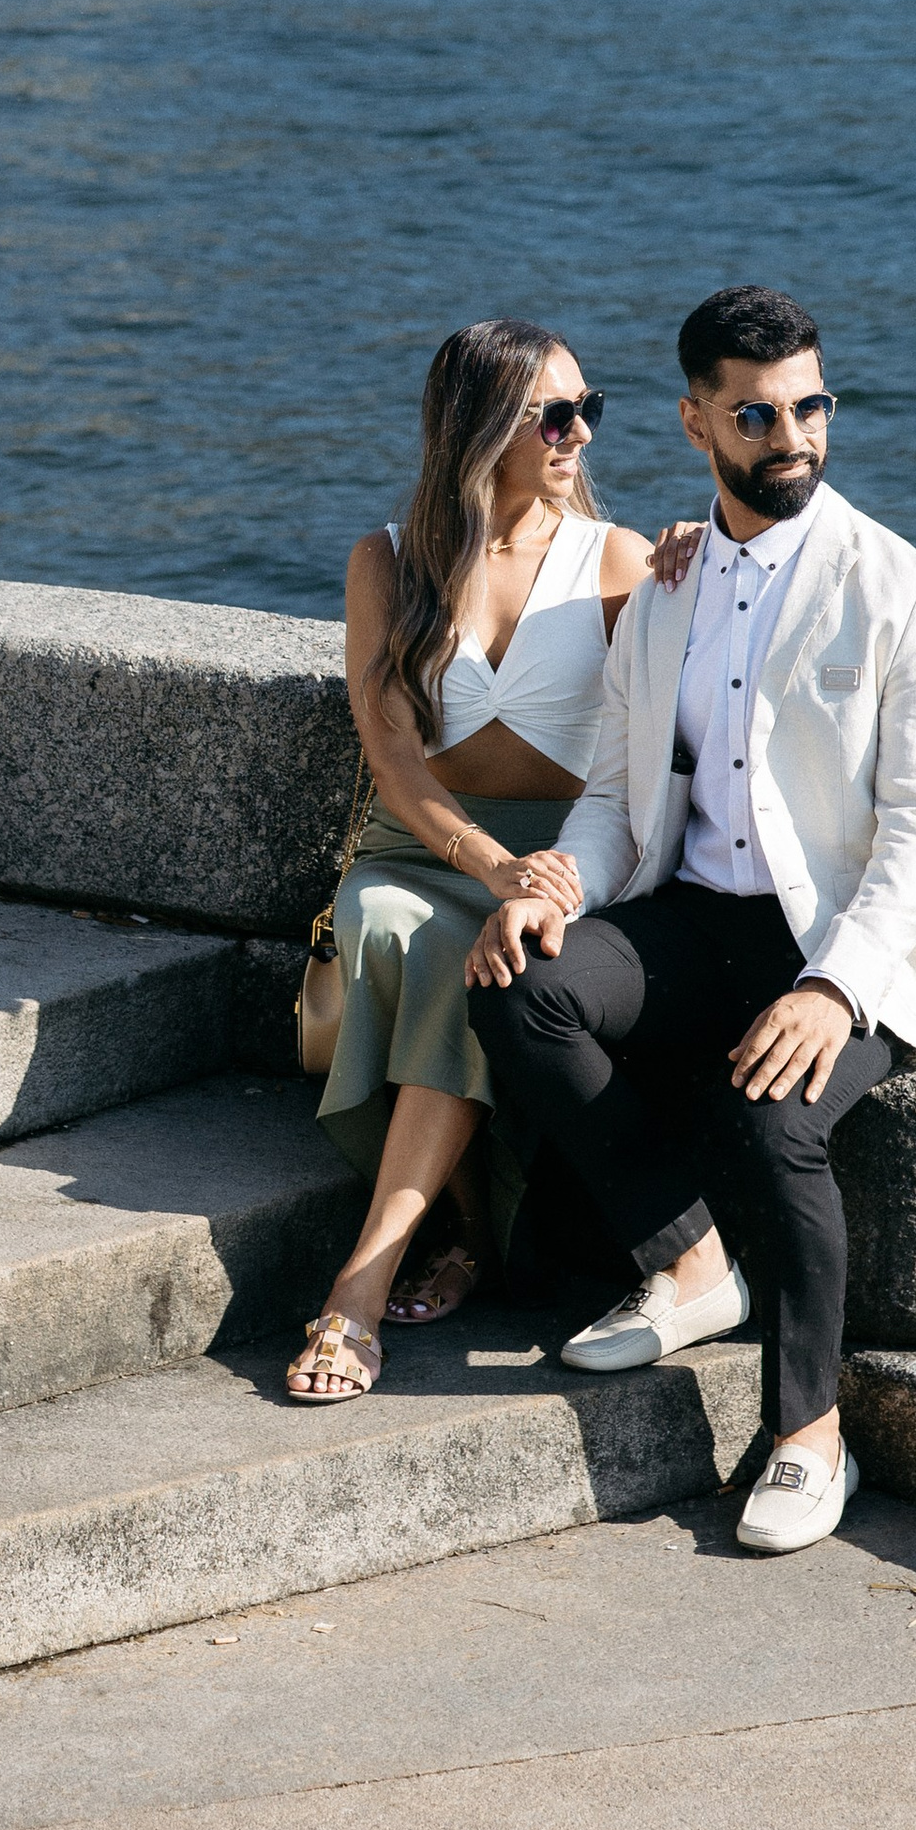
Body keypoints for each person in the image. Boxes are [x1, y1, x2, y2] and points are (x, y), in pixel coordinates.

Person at [466, 284, 916, 1553]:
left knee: (771, 1116)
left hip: (844, 945)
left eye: (810, 408)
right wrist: (554, 887)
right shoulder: (667, 588)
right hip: (693, 915)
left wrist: (832, 988)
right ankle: (691, 1263)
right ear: (695, 423)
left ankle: (811, 1435)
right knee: (517, 986)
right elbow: (616, 796)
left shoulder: (905, 593)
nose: (792, 437)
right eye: (756, 415)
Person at [286, 319, 700, 1403]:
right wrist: (484, 862)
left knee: (478, 954)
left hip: (560, 854)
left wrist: (697, 570)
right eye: (551, 415)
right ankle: (464, 1232)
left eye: (586, 409)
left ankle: (364, 1284)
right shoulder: (388, 562)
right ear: (476, 425)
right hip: (424, 843)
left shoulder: (619, 560)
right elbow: (389, 755)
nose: (579, 433)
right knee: (397, 925)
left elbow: (695, 698)